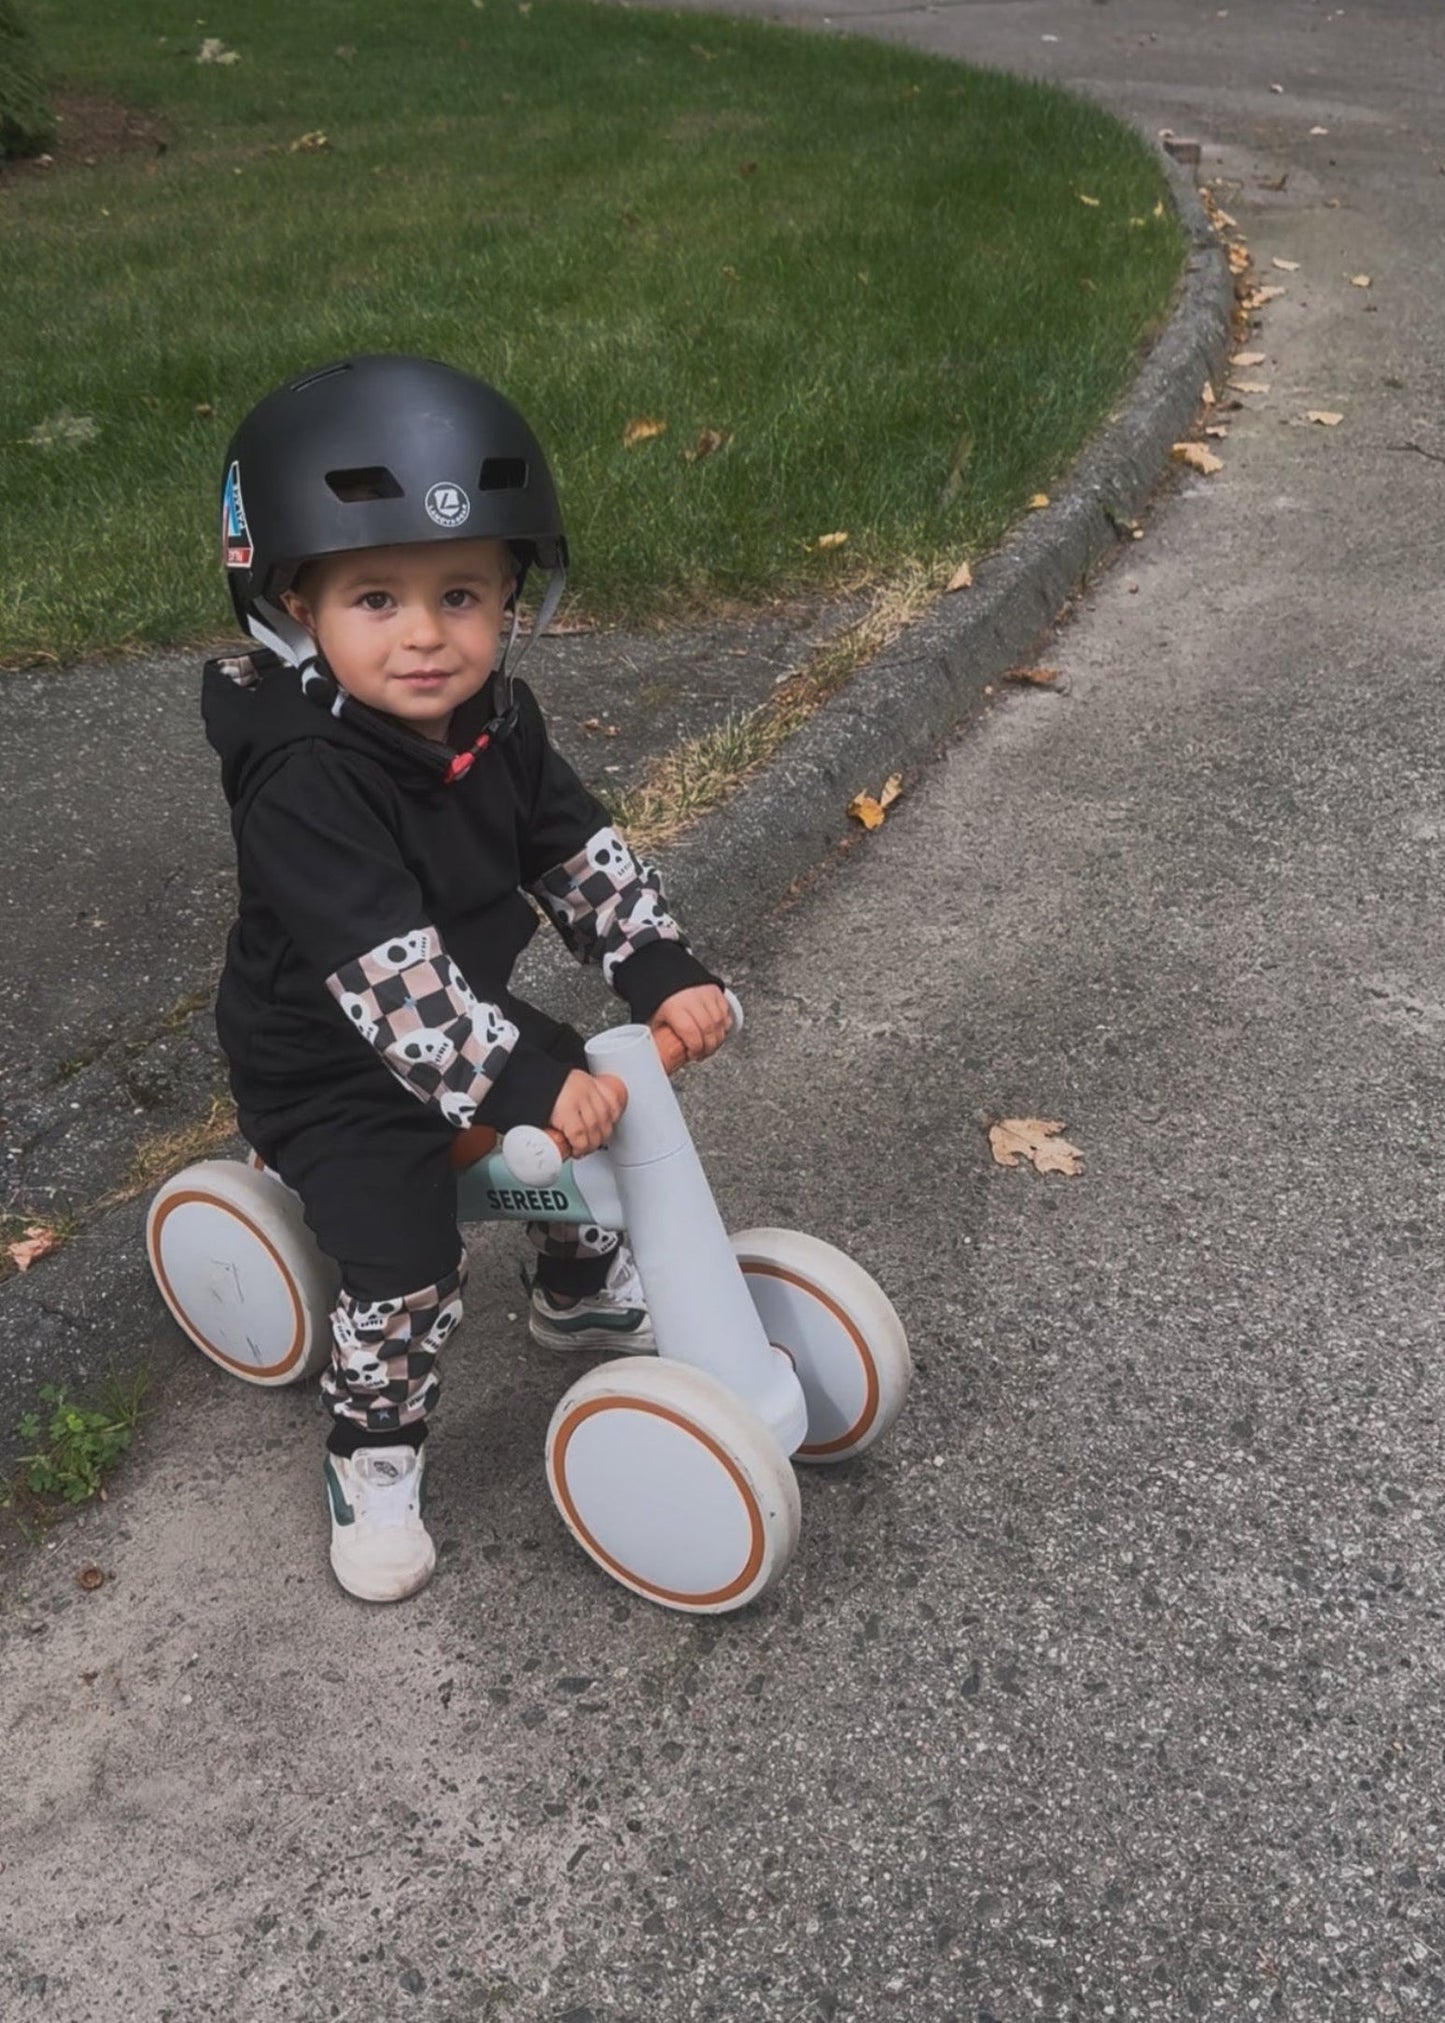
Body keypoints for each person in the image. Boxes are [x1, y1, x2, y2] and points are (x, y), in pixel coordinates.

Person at [202, 354, 730, 1604]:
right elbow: (389, 983)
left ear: (510, 599)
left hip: (465, 1026)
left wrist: (655, 965)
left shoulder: (497, 719)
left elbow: (571, 849)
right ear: (293, 604)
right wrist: (523, 1076)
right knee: (407, 1264)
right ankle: (371, 1450)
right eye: (376, 598)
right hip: (328, 1068)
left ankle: (576, 1287)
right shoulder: (302, 778)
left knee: (602, 1123)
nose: (428, 635)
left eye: (461, 595)